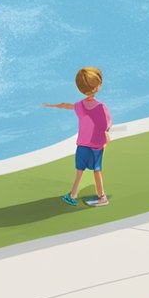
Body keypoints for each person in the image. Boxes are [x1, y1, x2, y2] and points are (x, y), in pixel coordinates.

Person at [43, 66, 111, 208]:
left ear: (80, 88)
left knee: (81, 170)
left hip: (84, 144)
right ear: (98, 86)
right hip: (96, 145)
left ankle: (80, 196)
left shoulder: (80, 106)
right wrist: (106, 137)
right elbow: (106, 125)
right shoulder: (101, 107)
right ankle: (89, 195)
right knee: (96, 170)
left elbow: (66, 106)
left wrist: (52, 105)